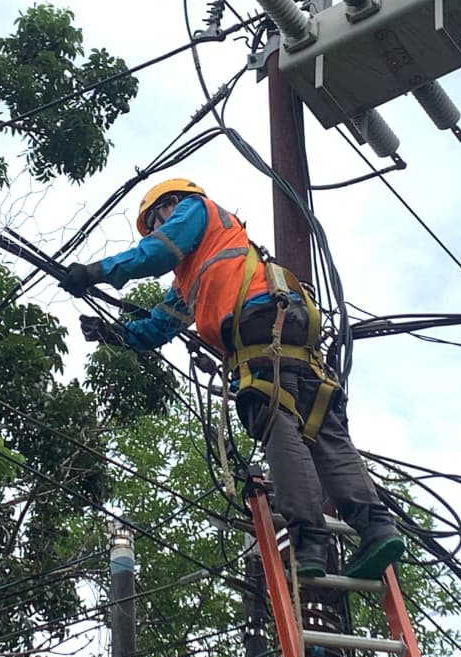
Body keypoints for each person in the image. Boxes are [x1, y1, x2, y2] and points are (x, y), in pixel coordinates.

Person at [61, 178, 404, 580]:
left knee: (275, 421)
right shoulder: (196, 274)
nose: (157, 230)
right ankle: (376, 528)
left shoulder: (197, 210)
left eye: (156, 220)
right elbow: (158, 328)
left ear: (171, 204)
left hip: (260, 330)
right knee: (322, 428)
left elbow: (155, 252)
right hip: (292, 333)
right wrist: (115, 334)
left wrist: (95, 271)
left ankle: (311, 540)